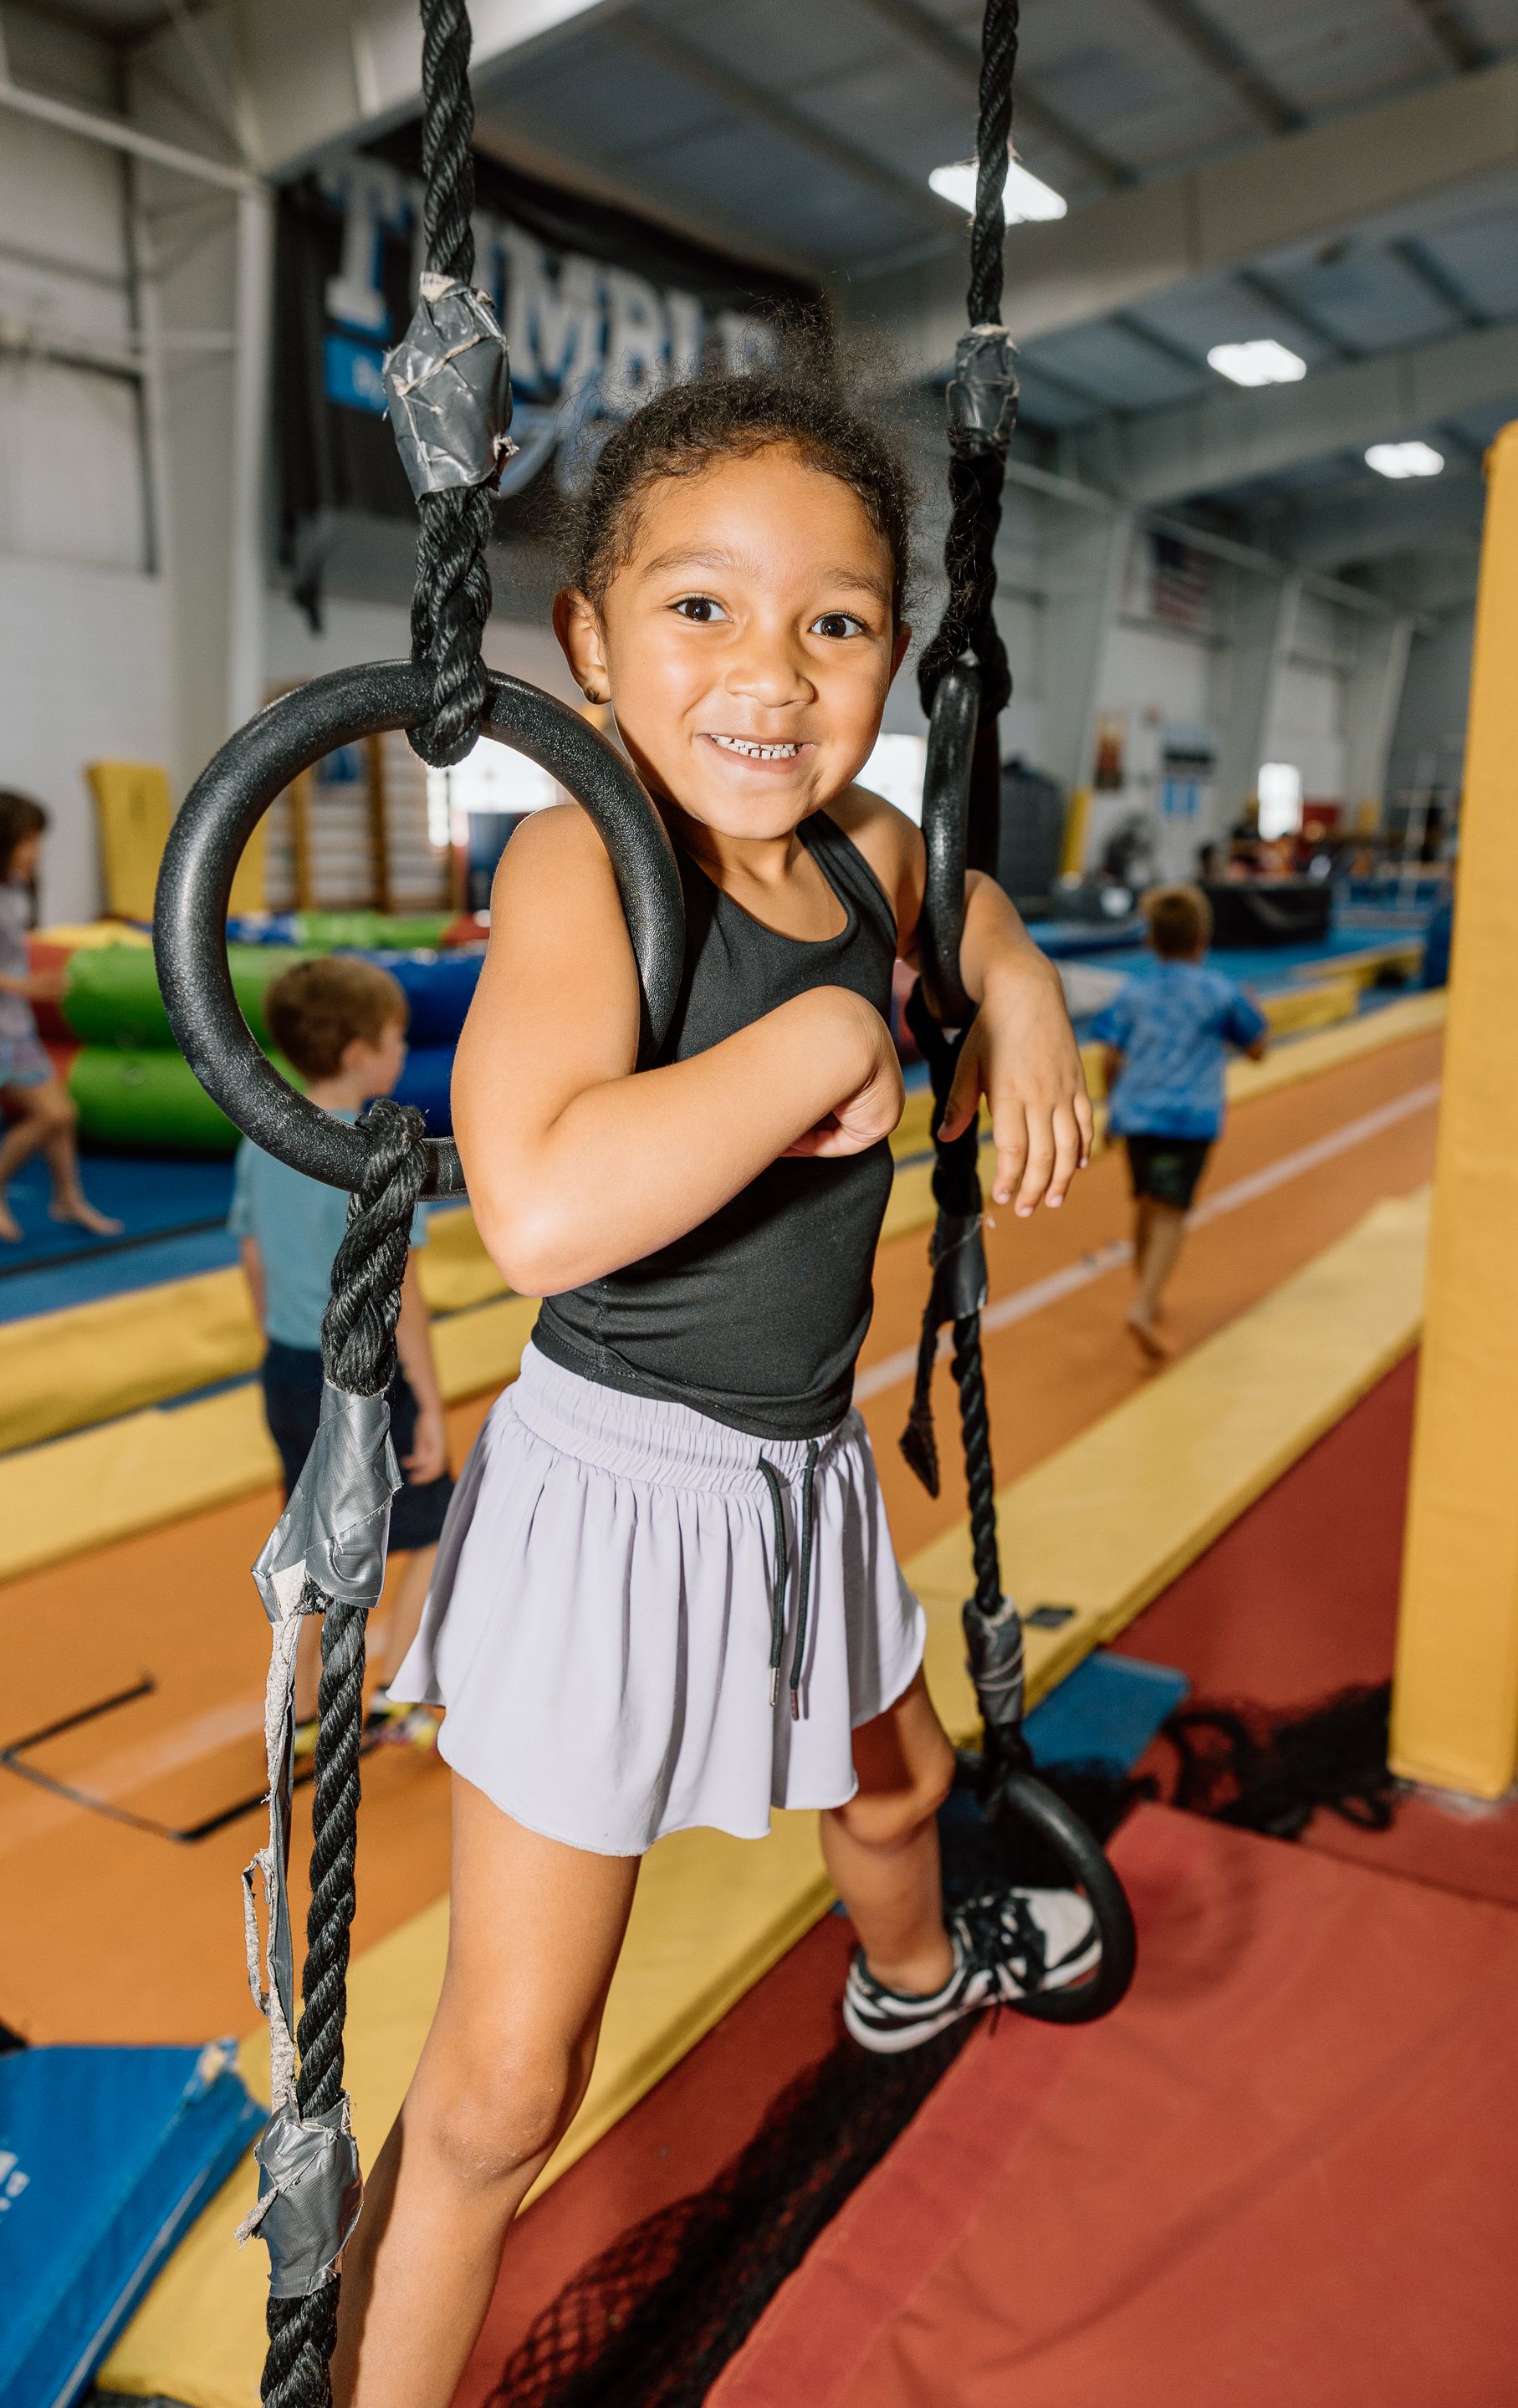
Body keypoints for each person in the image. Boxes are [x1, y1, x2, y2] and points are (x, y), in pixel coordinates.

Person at [330, 369, 1098, 2402]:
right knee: (508, 2078)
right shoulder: (597, 862)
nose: (770, 674)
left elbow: (974, 905)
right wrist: (825, 1053)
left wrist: (1008, 997)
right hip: (612, 1500)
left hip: (797, 1474)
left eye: (833, 622)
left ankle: (912, 1978)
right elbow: (545, 1206)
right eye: (700, 611)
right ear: (585, 643)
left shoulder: (862, 853)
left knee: (902, 1786)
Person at [231, 955, 452, 1747]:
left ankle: (304, 1708)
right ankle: (396, 1686)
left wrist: (282, 1343)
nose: (403, 1049)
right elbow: (405, 1298)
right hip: (369, 1378)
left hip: (291, 1368)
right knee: (431, 1521)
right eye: (397, 1036)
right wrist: (427, 1405)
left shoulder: (264, 1142)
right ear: (359, 1052)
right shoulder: (374, 1156)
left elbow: (254, 1260)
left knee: (317, 1538)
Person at [1089, 883, 1266, 1360]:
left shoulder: (1134, 993)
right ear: (1202, 937)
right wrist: (1255, 1010)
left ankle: (1148, 1291)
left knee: (1148, 1202)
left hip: (1138, 1114)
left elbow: (1110, 1056)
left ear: (1151, 940)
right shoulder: (1220, 992)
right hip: (1187, 1118)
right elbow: (1256, 1049)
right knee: (1170, 1211)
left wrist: (1111, 1109)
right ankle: (1144, 1304)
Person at [0, 791, 122, 1245]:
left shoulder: (13, 888)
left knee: (62, 1118)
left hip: (15, 1027)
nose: (36, 851)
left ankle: (67, 1197)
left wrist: (31, 983)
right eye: (28, 841)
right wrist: (24, 986)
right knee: (55, 1113)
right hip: (5, 1029)